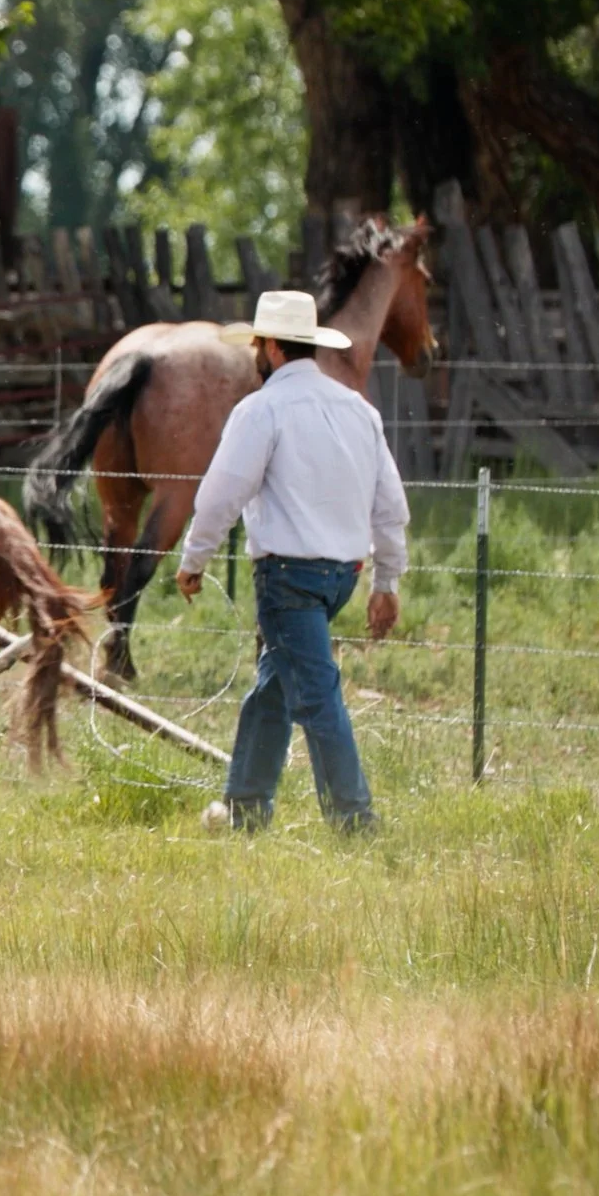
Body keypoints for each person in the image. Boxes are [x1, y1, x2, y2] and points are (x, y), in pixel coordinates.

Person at [174, 289, 407, 833]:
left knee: (316, 696)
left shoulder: (262, 410)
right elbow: (390, 506)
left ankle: (354, 818)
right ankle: (245, 809)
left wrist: (195, 558)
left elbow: (221, 493)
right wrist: (387, 580)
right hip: (341, 578)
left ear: (270, 347)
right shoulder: (358, 411)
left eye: (259, 343)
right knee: (274, 689)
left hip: (288, 579)